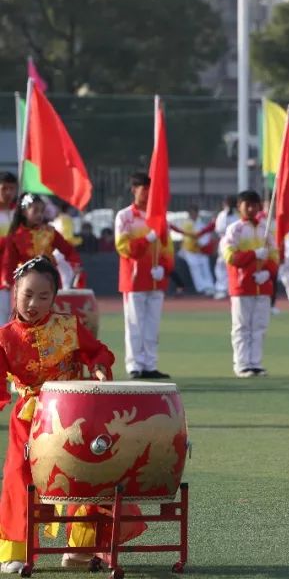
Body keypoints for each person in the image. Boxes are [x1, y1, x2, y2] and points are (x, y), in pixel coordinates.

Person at [0, 256, 143, 573]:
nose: (34, 303)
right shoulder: (5, 336)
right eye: (27, 295)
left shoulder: (68, 326)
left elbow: (97, 352)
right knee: (19, 479)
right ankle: (17, 551)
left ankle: (80, 548)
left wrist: (99, 367)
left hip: (73, 413)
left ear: (54, 297)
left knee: (85, 477)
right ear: (15, 293)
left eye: (43, 296)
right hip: (29, 419)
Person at [115, 173, 174, 379]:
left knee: (152, 325)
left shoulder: (160, 217)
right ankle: (134, 365)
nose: (148, 193)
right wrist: (148, 239)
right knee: (134, 324)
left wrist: (164, 268)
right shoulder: (124, 217)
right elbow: (124, 248)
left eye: (151, 189)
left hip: (156, 280)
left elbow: (168, 249)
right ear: (134, 190)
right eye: (144, 189)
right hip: (134, 280)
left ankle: (150, 364)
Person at [222, 191, 278, 378]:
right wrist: (254, 255)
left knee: (259, 326)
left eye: (255, 205)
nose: (252, 209)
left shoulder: (266, 228)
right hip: (242, 285)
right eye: (248, 205)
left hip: (262, 285)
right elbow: (231, 257)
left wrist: (266, 272)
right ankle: (241, 363)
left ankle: (255, 362)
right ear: (240, 207)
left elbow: (275, 257)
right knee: (241, 326)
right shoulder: (234, 230)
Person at [2, 194, 83, 294]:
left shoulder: (50, 232)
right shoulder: (15, 237)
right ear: (24, 212)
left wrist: (75, 263)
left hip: (50, 281)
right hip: (26, 283)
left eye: (42, 211)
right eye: (35, 211)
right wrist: (7, 281)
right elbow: (9, 262)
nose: (39, 215)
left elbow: (68, 250)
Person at [171, 207, 215, 296]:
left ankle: (210, 287)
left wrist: (202, 244)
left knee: (205, 268)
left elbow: (206, 235)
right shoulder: (186, 224)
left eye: (195, 213)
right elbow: (185, 237)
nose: (193, 215)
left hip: (201, 250)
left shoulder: (202, 224)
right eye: (192, 213)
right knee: (196, 269)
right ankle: (201, 288)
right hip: (190, 250)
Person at [50, 202, 82, 289]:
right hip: (63, 252)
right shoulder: (67, 219)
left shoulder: (56, 220)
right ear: (67, 209)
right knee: (67, 276)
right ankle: (65, 298)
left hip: (55, 252)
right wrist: (78, 240)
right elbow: (67, 237)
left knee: (63, 276)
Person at [213, 196, 239, 300]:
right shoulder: (225, 215)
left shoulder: (225, 215)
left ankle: (225, 288)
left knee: (225, 266)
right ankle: (222, 289)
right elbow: (219, 229)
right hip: (227, 243)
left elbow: (219, 229)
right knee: (221, 266)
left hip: (230, 243)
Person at [0, 173, 17, 319]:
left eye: (12, 189)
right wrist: (10, 240)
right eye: (4, 188)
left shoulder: (18, 213)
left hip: (14, 270)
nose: (8, 193)